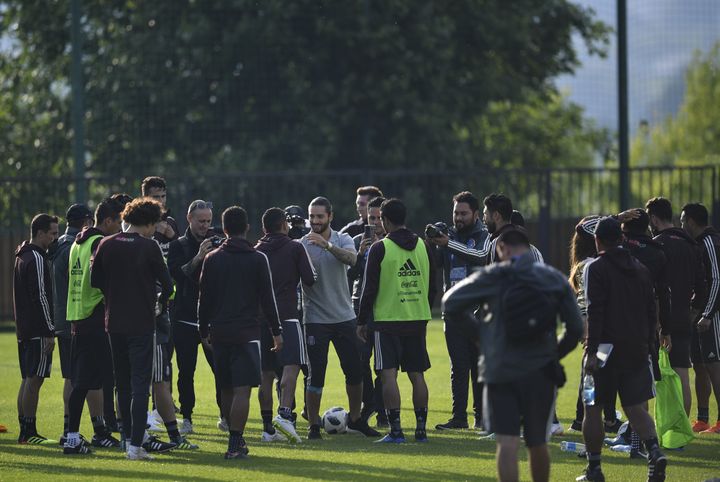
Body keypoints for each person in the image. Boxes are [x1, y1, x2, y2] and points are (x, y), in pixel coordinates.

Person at [442, 227, 583, 482]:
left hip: (500, 369)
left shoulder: (493, 276)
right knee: (537, 442)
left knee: (506, 442)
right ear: (528, 249)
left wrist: (482, 337)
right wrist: (553, 354)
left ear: (501, 249)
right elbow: (575, 327)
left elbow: (450, 303)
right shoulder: (551, 278)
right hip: (540, 370)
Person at [579, 217, 667, 482]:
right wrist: (649, 345)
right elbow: (652, 310)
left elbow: (596, 310)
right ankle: (654, 452)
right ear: (620, 237)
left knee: (591, 407)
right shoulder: (640, 268)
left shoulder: (596, 268)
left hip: (604, 350)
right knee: (635, 408)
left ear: (597, 240)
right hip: (636, 348)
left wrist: (591, 351)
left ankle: (594, 469)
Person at [91, 197, 176, 460]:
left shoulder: (105, 243)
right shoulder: (149, 247)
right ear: (149, 223)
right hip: (141, 324)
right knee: (141, 386)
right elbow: (169, 286)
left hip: (113, 322)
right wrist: (159, 303)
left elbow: (96, 281)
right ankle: (136, 446)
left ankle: (127, 438)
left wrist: (113, 296)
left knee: (122, 385)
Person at [198, 206, 283, 459]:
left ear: (224, 229)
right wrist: (277, 332)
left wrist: (204, 330)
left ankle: (235, 437)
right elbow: (268, 299)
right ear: (247, 228)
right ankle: (235, 442)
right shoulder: (257, 259)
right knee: (243, 389)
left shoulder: (212, 258)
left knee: (226, 387)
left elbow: (204, 299)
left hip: (220, 332)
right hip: (247, 333)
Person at [357, 198, 437, 443]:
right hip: (417, 318)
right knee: (417, 374)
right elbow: (433, 283)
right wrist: (423, 307)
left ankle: (396, 431)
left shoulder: (380, 248)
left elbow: (368, 289)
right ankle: (421, 430)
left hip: (387, 321)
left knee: (388, 375)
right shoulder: (424, 245)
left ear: (385, 220)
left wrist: (362, 321)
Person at [300, 196, 379, 439]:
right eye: (312, 216)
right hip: (315, 319)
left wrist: (326, 246)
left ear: (330, 217)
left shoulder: (342, 239)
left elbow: (352, 259)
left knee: (355, 372)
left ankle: (355, 420)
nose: (315, 221)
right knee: (316, 376)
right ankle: (314, 425)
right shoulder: (302, 244)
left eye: (320, 216)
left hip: (344, 317)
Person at [63, 198, 124, 454]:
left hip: (78, 316)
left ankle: (76, 436)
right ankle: (113, 433)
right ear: (108, 221)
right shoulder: (100, 242)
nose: (121, 229)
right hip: (96, 316)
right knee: (110, 378)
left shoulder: (77, 242)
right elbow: (105, 280)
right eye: (118, 223)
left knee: (85, 380)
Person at [425, 191, 488, 431]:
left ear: (474, 214)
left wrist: (448, 243)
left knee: (479, 366)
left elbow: (481, 259)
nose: (458, 218)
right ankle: (459, 418)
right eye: (455, 213)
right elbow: (437, 264)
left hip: (479, 311)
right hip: (453, 312)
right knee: (458, 367)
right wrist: (432, 244)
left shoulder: (484, 237)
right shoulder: (448, 236)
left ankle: (482, 417)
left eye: (463, 213)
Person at [255, 207, 317, 444]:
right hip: (288, 316)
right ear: (284, 225)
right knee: (292, 366)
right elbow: (310, 279)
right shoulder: (294, 247)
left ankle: (267, 427)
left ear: (264, 228)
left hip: (261, 319)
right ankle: (284, 414)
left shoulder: (257, 250)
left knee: (266, 374)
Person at [646, 197, 705, 418]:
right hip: (683, 318)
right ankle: (682, 427)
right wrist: (693, 312)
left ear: (653, 218)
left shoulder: (656, 245)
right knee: (682, 375)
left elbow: (655, 287)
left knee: (656, 377)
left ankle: (664, 429)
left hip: (661, 320)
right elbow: (702, 286)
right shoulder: (691, 245)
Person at [167, 200, 222, 432]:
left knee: (220, 369)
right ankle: (187, 417)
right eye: (201, 221)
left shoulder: (219, 241)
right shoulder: (178, 245)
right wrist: (199, 256)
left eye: (208, 221)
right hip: (185, 318)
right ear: (189, 219)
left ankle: (225, 414)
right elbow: (177, 275)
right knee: (185, 371)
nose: (205, 225)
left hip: (212, 320)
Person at [568, 216, 623, 435]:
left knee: (591, 373)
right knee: (602, 374)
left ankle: (582, 418)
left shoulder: (583, 263)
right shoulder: (592, 265)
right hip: (592, 323)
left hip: (586, 321)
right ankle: (606, 419)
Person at [50, 203, 94, 445]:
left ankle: (69, 430)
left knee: (70, 376)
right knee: (78, 378)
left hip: (63, 318)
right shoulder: (73, 247)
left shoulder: (60, 245)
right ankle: (72, 431)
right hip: (75, 318)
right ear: (87, 220)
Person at [14, 213, 59, 445]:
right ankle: (29, 432)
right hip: (38, 330)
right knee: (35, 379)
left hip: (24, 329)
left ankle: (24, 430)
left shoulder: (22, 255)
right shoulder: (37, 258)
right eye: (52, 233)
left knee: (27, 379)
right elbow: (41, 297)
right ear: (40, 233)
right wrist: (50, 330)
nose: (55, 238)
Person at [347, 196, 388, 427]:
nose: (374, 222)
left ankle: (382, 411)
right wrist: (360, 255)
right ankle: (369, 402)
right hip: (359, 306)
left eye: (378, 218)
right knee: (359, 361)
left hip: (384, 308)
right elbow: (348, 277)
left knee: (383, 364)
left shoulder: (392, 244)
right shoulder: (356, 241)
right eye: (371, 218)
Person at [680, 203, 720, 434]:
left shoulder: (709, 242)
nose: (681, 224)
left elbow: (716, 279)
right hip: (699, 316)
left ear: (692, 222)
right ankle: (702, 419)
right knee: (700, 366)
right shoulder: (697, 243)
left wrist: (707, 313)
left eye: (683, 220)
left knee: (714, 366)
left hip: (710, 317)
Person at [141, 176, 179, 257]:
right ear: (145, 198)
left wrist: (173, 237)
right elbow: (141, 256)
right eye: (156, 197)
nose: (161, 201)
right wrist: (158, 234)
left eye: (163, 196)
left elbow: (181, 254)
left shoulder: (170, 221)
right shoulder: (139, 223)